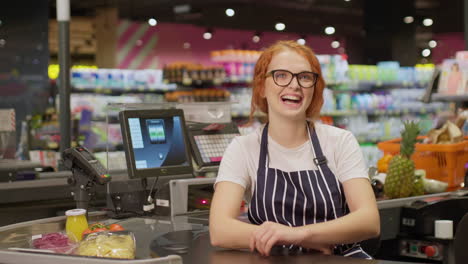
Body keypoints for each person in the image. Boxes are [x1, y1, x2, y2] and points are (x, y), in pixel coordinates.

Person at [209, 40, 380, 259]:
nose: (294, 85)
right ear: (261, 86)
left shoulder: (340, 141)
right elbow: (220, 230)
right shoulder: (243, 148)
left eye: (305, 77)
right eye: (281, 75)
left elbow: (369, 220)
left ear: (314, 88)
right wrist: (285, 238)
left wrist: (299, 235)